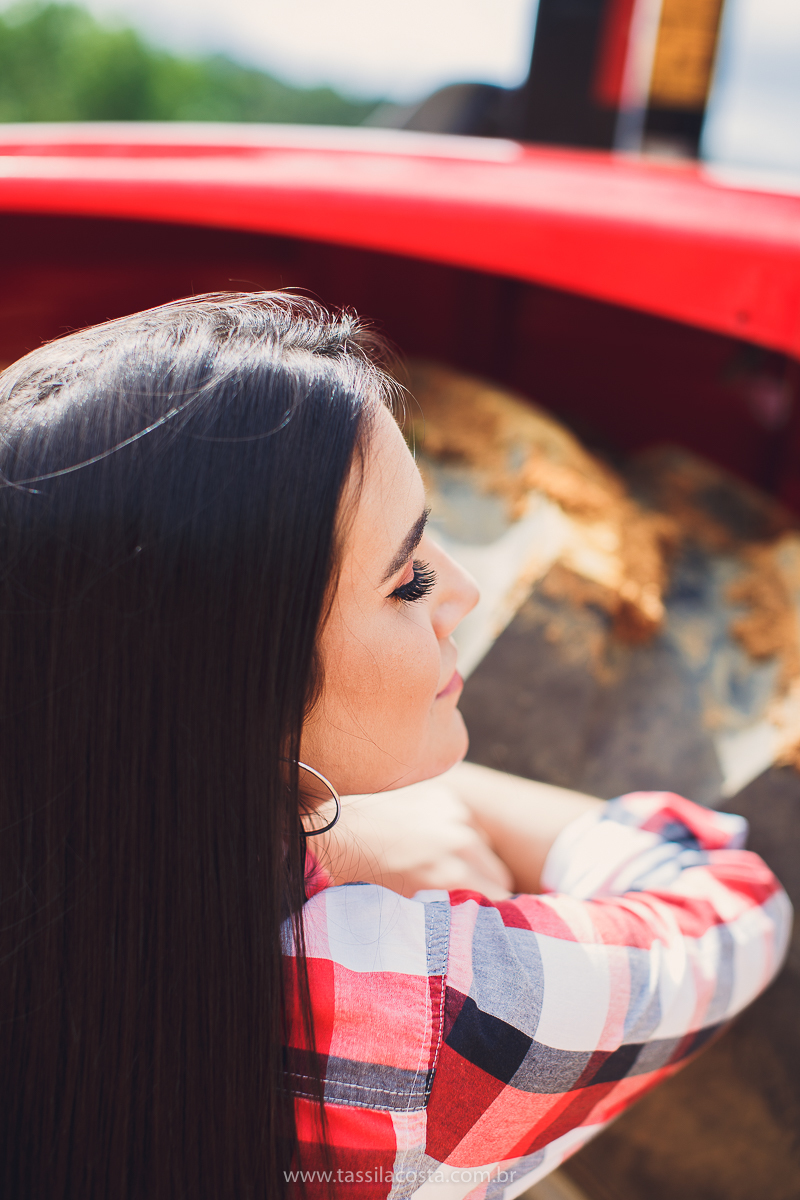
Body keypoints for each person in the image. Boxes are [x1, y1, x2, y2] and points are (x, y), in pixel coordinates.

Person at [0, 293, 790, 1200]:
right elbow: (731, 907)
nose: (464, 592)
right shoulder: (427, 1021)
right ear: (243, 696)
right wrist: (385, 812)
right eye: (408, 579)